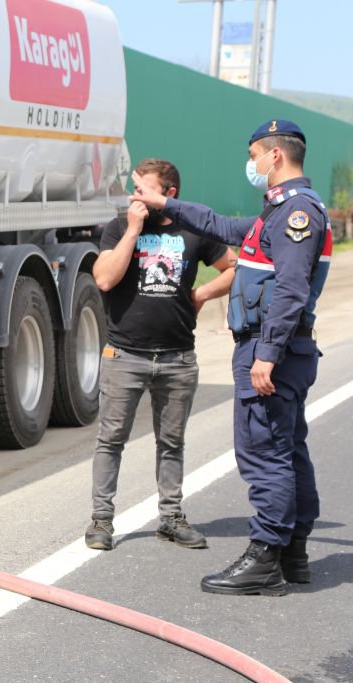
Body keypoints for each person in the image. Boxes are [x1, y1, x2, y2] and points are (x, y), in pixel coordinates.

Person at [130, 120, 332, 596]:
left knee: (264, 455)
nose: (252, 164)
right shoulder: (279, 211)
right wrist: (166, 204)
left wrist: (266, 353)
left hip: (272, 350)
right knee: (286, 449)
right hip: (281, 349)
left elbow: (290, 288)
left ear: (274, 157)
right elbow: (221, 225)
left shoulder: (296, 211)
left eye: (254, 155)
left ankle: (265, 556)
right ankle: (293, 553)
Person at [85, 159, 236, 552]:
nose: (136, 197)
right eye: (134, 190)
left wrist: (202, 293)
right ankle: (101, 520)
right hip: (124, 355)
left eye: (144, 190)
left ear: (168, 194)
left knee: (172, 442)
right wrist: (134, 230)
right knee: (111, 439)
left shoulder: (193, 229)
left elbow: (235, 267)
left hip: (177, 358)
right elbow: (104, 278)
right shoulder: (120, 227)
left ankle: (170, 518)